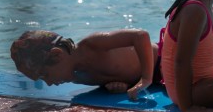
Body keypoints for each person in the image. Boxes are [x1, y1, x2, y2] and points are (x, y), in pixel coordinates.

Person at [11, 29, 157, 100]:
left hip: (164, 57)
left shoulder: (92, 45)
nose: (49, 83)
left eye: (45, 75)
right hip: (156, 77)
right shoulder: (78, 77)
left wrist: (146, 78)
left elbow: (140, 36)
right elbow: (113, 72)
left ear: (57, 55)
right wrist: (119, 85)